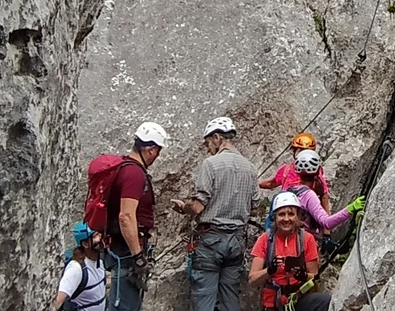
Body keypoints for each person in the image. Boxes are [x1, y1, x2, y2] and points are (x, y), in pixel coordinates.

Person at [170, 117, 261, 311]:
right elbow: (253, 208)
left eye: (208, 142)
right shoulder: (250, 168)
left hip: (211, 239)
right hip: (237, 240)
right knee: (230, 297)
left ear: (217, 137)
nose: (208, 147)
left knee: (204, 295)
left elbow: (197, 207)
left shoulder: (210, 164)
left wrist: (183, 207)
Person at [104, 121, 168, 311]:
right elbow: (126, 216)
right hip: (127, 251)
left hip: (123, 248)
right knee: (125, 304)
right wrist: (138, 256)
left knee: (122, 301)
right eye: (158, 151)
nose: (157, 156)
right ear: (151, 149)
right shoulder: (134, 173)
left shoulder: (125, 168)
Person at [249, 192, 332, 311]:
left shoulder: (307, 239)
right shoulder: (265, 239)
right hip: (273, 302)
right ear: (275, 217)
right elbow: (252, 278)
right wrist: (269, 270)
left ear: (298, 217)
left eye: (291, 214)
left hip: (298, 298)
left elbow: (314, 276)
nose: (286, 219)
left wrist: (303, 276)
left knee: (324, 301)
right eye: (281, 214)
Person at [280, 150, 366, 240]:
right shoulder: (308, 195)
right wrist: (351, 208)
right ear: (318, 171)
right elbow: (326, 222)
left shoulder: (287, 192)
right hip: (303, 246)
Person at [258, 132, 331, 212]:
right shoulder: (315, 170)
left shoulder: (288, 169)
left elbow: (270, 183)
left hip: (290, 210)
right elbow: (324, 195)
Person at [52, 222, 107, 311]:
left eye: (100, 234)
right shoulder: (76, 269)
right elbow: (57, 302)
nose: (101, 239)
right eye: (95, 236)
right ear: (85, 244)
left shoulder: (99, 262)